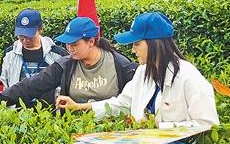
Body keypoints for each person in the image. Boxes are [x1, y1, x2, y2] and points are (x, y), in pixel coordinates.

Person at [57, 12, 219, 127]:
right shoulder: (143, 73)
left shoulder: (188, 77)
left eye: (137, 44)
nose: (133, 50)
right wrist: (78, 107)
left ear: (155, 43)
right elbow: (122, 104)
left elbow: (208, 124)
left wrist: (158, 127)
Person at [0, 16, 137, 109]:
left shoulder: (119, 64)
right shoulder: (66, 65)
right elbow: (32, 85)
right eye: (67, 44)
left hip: (111, 130)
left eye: (74, 44)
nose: (69, 48)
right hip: (75, 129)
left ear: (91, 42)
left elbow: (130, 102)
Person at [0, 8, 67, 90]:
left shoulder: (58, 54)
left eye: (29, 35)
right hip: (18, 101)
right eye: (21, 36)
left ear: (40, 29)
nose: (25, 40)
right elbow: (0, 82)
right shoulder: (9, 54)